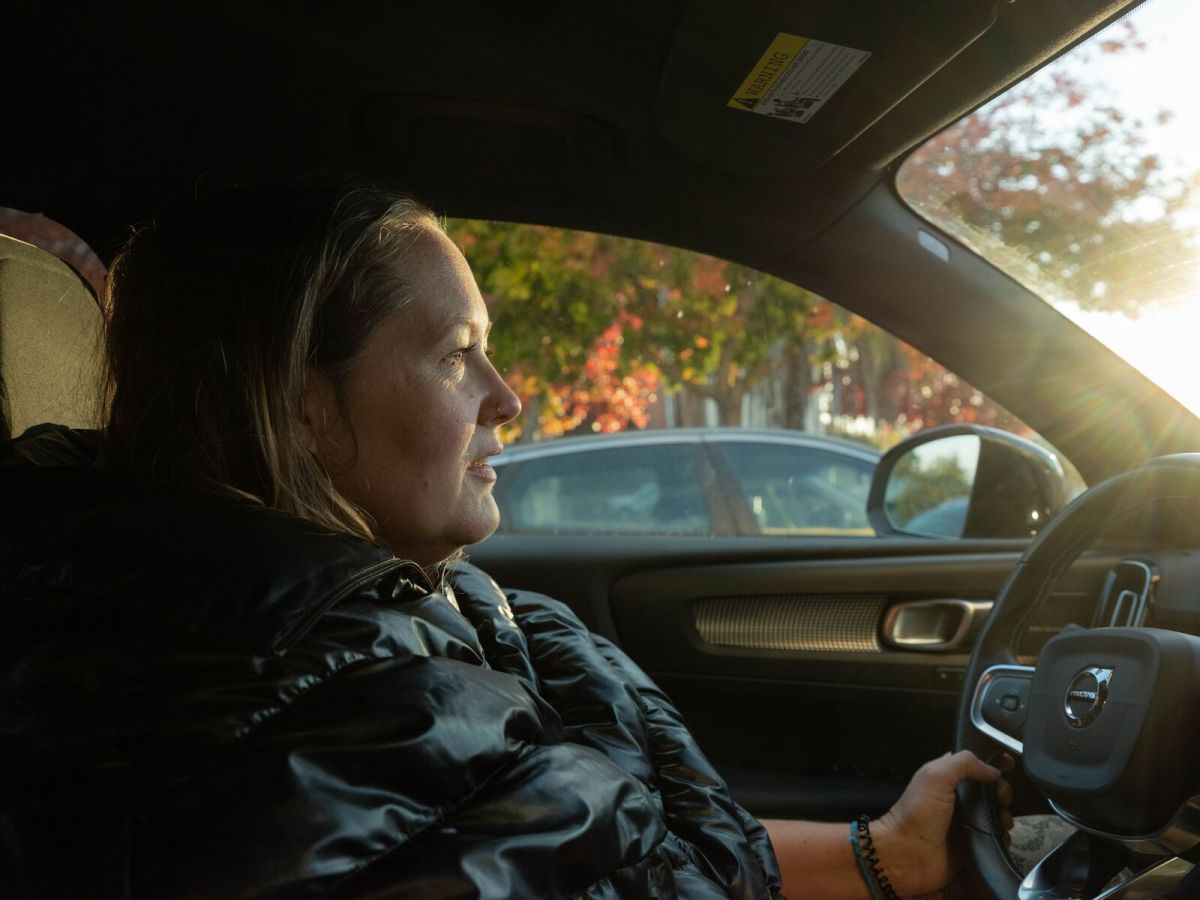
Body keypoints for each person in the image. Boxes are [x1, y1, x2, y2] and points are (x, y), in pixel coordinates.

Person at [0, 180, 1011, 898]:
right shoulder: (258, 699)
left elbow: (626, 863)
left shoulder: (404, 614)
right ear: (302, 410)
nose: (510, 399)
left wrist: (887, 853)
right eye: (457, 356)